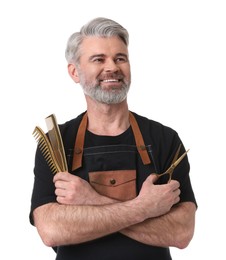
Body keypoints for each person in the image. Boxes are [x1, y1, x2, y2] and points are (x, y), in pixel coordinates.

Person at [29, 17, 197, 260]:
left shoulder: (163, 139)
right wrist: (144, 209)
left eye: (120, 58)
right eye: (99, 59)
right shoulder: (57, 143)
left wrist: (91, 200)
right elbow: (52, 230)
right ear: (74, 72)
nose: (113, 68)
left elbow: (182, 232)